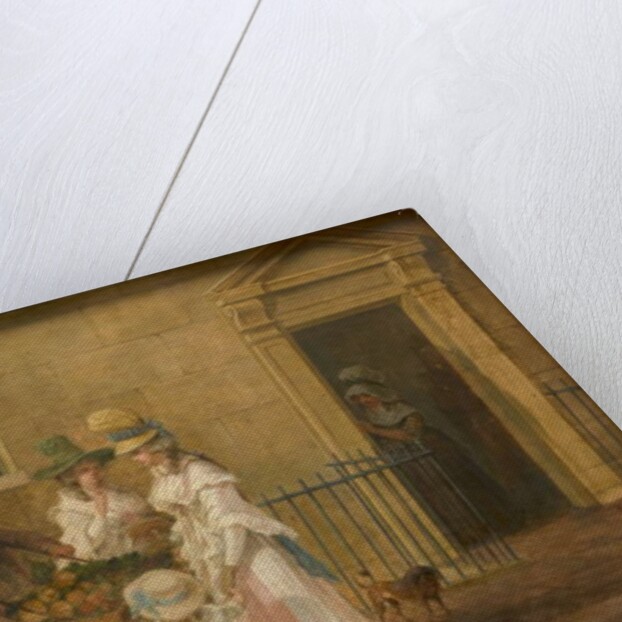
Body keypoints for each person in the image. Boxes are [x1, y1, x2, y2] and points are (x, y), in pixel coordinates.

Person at [88, 409, 372, 621]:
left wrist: (229, 568)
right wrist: (175, 540)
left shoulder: (199, 471)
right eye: (134, 455)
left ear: (156, 446)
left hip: (245, 556)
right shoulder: (165, 478)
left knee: (287, 608)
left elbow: (233, 524)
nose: (137, 460)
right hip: (214, 557)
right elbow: (190, 523)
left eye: (138, 452)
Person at [339, 365, 517, 544]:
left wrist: (374, 430)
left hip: (435, 452)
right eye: (358, 398)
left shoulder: (403, 409)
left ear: (378, 393)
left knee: (459, 486)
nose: (363, 401)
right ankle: (469, 535)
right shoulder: (368, 416)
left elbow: (410, 435)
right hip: (411, 460)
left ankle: (497, 524)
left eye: (366, 395)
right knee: (436, 496)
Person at [33, 435, 153, 562]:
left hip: (146, 552)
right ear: (72, 478)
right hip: (112, 562)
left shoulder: (121, 493)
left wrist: (142, 521)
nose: (94, 473)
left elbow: (147, 514)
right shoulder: (68, 510)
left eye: (96, 467)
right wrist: (100, 514)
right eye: (84, 471)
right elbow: (86, 547)